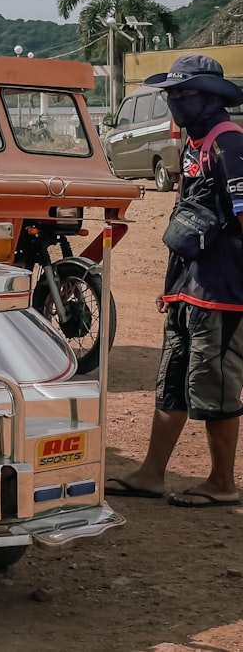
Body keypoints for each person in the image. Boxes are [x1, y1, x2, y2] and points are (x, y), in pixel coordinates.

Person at [107, 54, 243, 508]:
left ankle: (222, 482)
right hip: (188, 288)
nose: (174, 102)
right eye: (171, 94)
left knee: (214, 387)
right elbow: (185, 219)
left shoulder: (229, 144)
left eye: (182, 94)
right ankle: (150, 473)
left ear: (210, 98)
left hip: (221, 293)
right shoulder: (192, 145)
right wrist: (170, 288)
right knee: (173, 382)